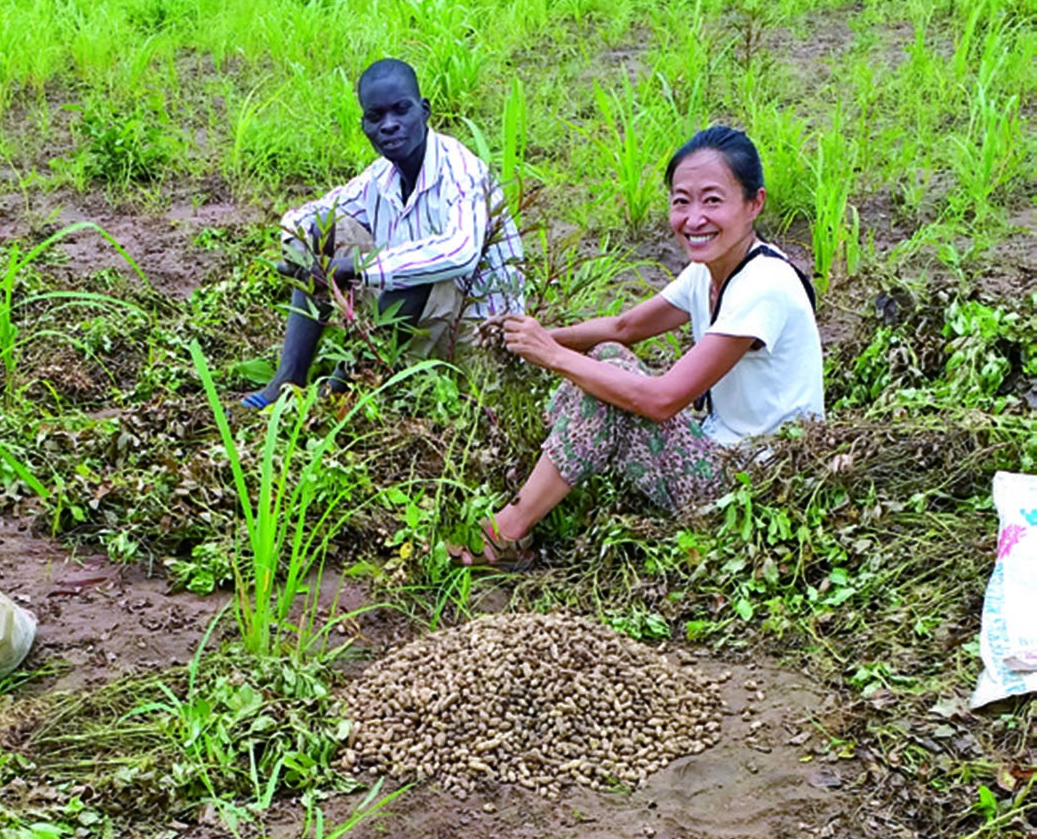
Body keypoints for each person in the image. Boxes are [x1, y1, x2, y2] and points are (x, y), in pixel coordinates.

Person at [448, 126, 824, 567]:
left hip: (756, 486)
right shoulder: (711, 268)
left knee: (606, 396)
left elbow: (662, 400)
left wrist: (550, 355)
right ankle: (530, 489)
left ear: (753, 204)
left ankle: (505, 534)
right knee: (608, 359)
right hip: (717, 447)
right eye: (681, 201)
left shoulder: (764, 285)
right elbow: (623, 327)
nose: (694, 218)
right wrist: (538, 336)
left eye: (713, 200)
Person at [241, 58, 524, 409]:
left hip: (477, 334)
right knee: (320, 231)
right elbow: (306, 216)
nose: (389, 125)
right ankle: (287, 380)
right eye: (376, 117)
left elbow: (460, 251)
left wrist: (356, 268)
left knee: (417, 268)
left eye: (401, 110)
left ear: (424, 111)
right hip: (413, 320)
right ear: (365, 126)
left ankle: (346, 383)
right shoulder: (379, 178)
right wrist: (299, 254)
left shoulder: (460, 171)